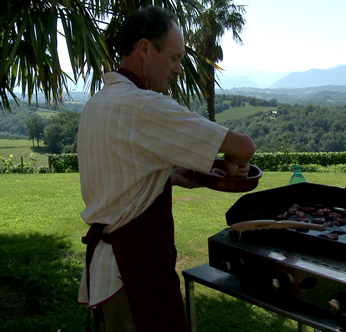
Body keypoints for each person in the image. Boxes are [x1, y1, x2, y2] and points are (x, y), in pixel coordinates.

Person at [76, 6, 255, 332]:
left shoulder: (98, 102)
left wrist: (166, 178)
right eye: (174, 58)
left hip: (107, 270)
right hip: (133, 274)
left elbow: (119, 174)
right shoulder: (144, 106)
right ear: (144, 48)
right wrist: (234, 161)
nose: (178, 70)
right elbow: (244, 147)